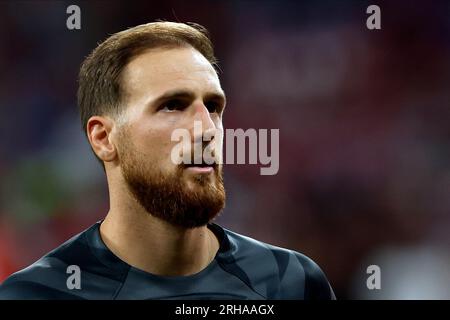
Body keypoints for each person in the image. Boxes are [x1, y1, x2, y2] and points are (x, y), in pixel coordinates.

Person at [0, 21, 335, 300]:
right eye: (173, 106)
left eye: (213, 107)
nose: (206, 129)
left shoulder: (291, 283)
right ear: (104, 138)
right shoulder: (38, 294)